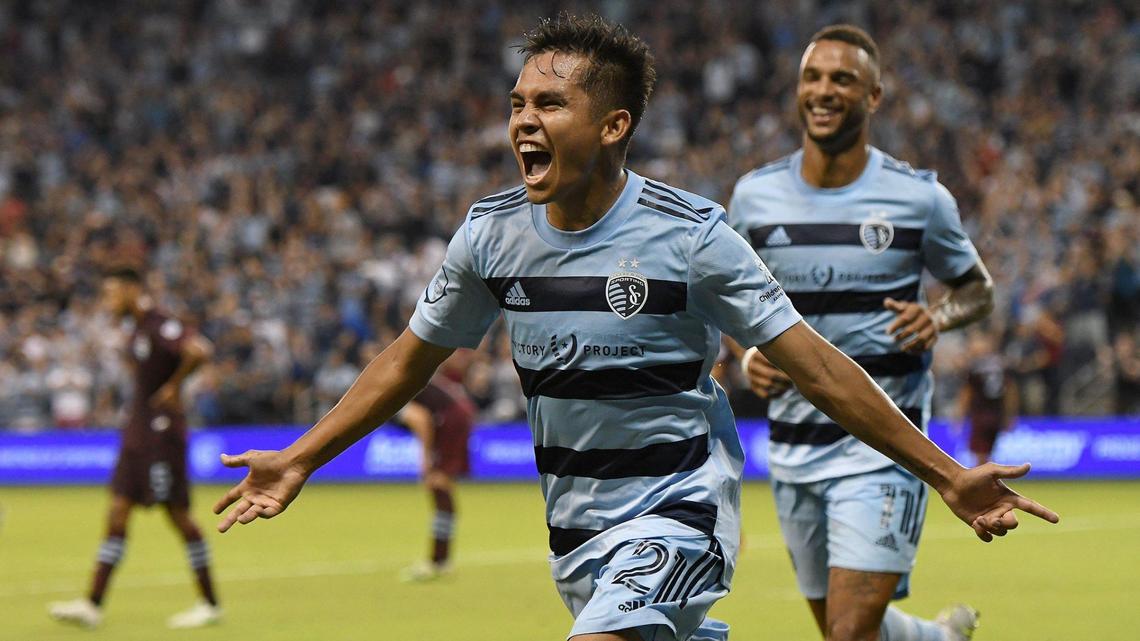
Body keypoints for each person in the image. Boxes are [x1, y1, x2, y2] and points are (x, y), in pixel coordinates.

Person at [212, 15, 1057, 641]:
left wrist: (946, 474)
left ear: (614, 126)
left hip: (680, 507)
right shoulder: (490, 235)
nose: (523, 121)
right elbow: (406, 360)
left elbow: (816, 365)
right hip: (575, 528)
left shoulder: (692, 237)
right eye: (517, 103)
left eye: (550, 103)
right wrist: (299, 457)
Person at [727, 25, 999, 641]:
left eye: (842, 79)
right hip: (793, 448)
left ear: (874, 96)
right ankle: (941, 638)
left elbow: (977, 289)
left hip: (884, 448)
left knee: (848, 636)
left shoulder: (918, 198)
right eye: (813, 77)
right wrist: (747, 357)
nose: (824, 91)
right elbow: (734, 306)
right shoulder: (755, 198)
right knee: (847, 632)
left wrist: (938, 316)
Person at [49, 265, 222, 629]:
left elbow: (199, 350)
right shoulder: (139, 330)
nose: (108, 301)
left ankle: (209, 602)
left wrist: (175, 385)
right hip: (138, 435)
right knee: (117, 512)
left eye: (112, 293)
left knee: (178, 517)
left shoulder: (160, 324)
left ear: (131, 290)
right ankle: (92, 604)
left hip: (160, 435)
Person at [394, 373, 477, 581]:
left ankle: (438, 561)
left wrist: (426, 458)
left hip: (450, 420)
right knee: (442, 487)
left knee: (437, 482)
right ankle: (441, 558)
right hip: (458, 415)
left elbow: (420, 420)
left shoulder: (389, 395)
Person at [958, 331, 1019, 464]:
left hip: (980, 413)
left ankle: (983, 482)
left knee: (980, 454)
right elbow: (1011, 391)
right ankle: (989, 479)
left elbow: (967, 392)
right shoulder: (1002, 365)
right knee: (988, 451)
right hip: (997, 413)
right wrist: (1010, 414)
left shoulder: (975, 367)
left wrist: (959, 415)